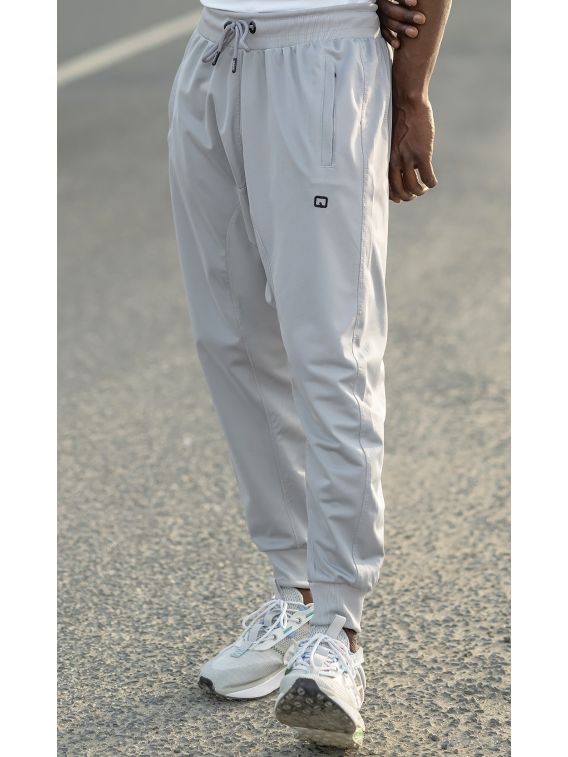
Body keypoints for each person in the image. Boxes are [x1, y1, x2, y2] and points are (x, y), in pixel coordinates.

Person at [168, 0, 451, 747]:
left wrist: (410, 93)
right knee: (231, 339)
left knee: (333, 352)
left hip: (323, 60)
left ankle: (337, 631)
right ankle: (293, 593)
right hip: (215, 53)